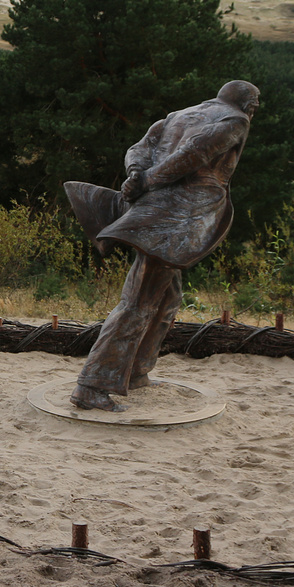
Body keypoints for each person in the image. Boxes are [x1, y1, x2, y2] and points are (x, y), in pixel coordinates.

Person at [65, 80, 259, 411]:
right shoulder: (235, 121)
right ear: (249, 106)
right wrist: (149, 179)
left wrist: (137, 174)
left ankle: (136, 370)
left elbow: (139, 148)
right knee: (138, 301)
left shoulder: (178, 115)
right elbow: (195, 152)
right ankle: (93, 384)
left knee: (169, 297)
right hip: (176, 218)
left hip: (155, 211)